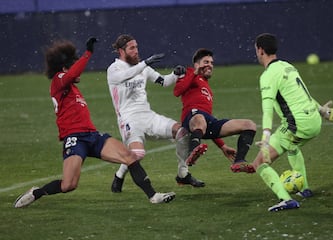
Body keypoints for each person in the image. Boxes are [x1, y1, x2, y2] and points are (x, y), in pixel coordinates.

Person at [14, 38, 176, 208]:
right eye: (73, 67)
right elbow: (72, 74)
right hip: (75, 138)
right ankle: (36, 193)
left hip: (92, 135)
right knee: (68, 185)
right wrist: (88, 53)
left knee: (130, 157)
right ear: (64, 68)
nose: (79, 74)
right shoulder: (58, 80)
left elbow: (74, 75)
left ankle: (153, 196)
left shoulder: (73, 89)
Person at [232, 33, 333, 212]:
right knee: (292, 147)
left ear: (260, 50)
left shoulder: (268, 76)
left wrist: (266, 136)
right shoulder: (288, 66)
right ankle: (305, 189)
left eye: (256, 50)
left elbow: (267, 109)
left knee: (259, 163)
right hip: (315, 121)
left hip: (298, 126)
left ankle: (286, 200)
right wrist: (323, 111)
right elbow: (303, 95)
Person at [107, 34, 204, 192]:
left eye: (136, 47)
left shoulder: (142, 67)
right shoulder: (114, 69)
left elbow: (163, 81)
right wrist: (145, 63)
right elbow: (124, 76)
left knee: (182, 132)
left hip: (148, 116)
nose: (136, 51)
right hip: (128, 119)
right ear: (121, 51)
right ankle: (119, 175)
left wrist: (175, 74)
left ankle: (183, 173)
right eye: (132, 48)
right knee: (137, 154)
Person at [173, 48, 257, 171]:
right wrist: (194, 73)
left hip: (205, 123)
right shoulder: (189, 73)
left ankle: (238, 161)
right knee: (200, 119)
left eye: (211, 63)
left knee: (249, 125)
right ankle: (192, 151)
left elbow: (206, 125)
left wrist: (222, 146)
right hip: (191, 119)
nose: (210, 65)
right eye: (206, 62)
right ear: (197, 65)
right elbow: (177, 91)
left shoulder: (206, 86)